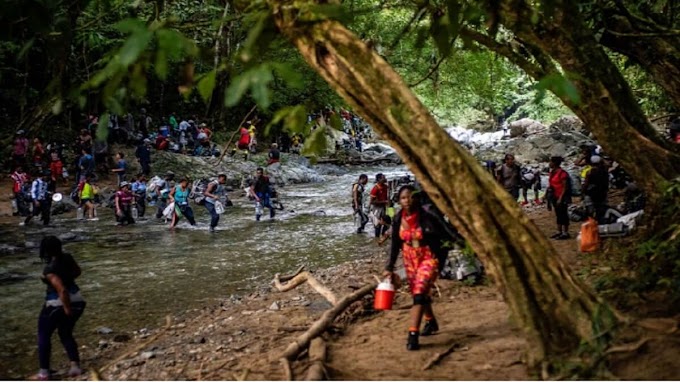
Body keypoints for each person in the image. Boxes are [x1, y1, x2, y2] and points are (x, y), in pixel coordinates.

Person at [383, 185, 445, 351]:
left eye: (410, 197)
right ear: (399, 200)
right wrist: (389, 267)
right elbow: (395, 244)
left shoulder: (427, 215)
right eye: (403, 198)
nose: (407, 201)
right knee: (420, 292)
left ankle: (413, 334)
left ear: (416, 198)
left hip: (428, 256)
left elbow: (446, 233)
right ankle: (430, 321)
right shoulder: (397, 218)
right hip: (409, 258)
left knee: (418, 294)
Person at [35, 236, 86, 381]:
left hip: (58, 303)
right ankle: (75, 366)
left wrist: (67, 309)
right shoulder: (68, 257)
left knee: (43, 334)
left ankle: (44, 372)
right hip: (78, 300)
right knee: (65, 333)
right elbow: (77, 272)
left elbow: (61, 290)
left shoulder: (49, 269)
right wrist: (64, 276)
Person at [546, 156, 571, 240]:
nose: (549, 163)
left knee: (563, 214)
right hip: (554, 195)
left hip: (561, 196)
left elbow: (565, 187)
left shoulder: (562, 173)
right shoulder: (552, 172)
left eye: (550, 162)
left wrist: (561, 198)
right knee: (558, 214)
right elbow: (550, 185)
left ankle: (565, 232)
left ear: (554, 163)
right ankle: (559, 231)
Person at [582, 155, 609, 223]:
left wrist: (583, 192)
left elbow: (586, 184)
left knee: (590, 211)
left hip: (591, 193)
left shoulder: (589, 172)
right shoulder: (604, 171)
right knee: (600, 211)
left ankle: (591, 224)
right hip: (602, 193)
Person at [369, 173, 390, 237]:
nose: (385, 178)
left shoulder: (386, 186)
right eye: (383, 177)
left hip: (385, 207)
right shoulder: (375, 188)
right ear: (379, 179)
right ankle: (377, 238)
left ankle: (384, 236)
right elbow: (371, 202)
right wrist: (384, 201)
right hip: (377, 209)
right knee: (378, 225)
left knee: (388, 222)